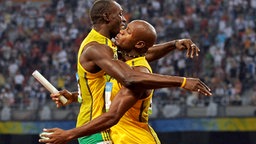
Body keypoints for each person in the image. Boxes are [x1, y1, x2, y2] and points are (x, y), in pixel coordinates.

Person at [39, 0, 212, 144]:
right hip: (98, 129)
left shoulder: (111, 48)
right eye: (120, 14)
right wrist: (182, 82)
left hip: (106, 129)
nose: (123, 20)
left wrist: (173, 44)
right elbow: (129, 76)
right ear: (107, 17)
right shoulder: (98, 48)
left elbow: (140, 54)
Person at [40, 19, 162, 144]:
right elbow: (107, 93)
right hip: (119, 135)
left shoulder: (135, 72)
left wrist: (68, 134)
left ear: (139, 44)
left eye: (127, 31)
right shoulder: (119, 64)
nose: (121, 30)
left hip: (133, 138)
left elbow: (113, 116)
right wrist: (75, 96)